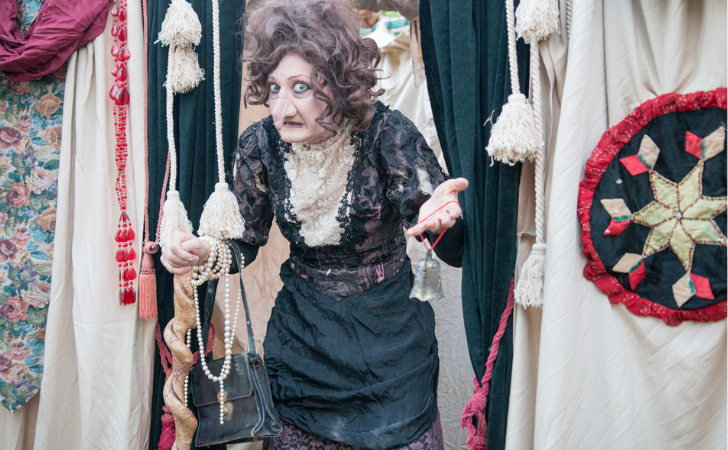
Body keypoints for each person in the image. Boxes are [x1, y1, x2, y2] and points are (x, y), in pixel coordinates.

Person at [161, 0, 468, 448]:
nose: (282, 106)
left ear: (339, 83)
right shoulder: (260, 144)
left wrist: (440, 222)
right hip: (302, 347)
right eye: (274, 87)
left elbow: (447, 242)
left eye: (300, 87)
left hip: (391, 354)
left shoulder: (387, 134)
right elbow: (244, 241)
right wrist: (205, 252)